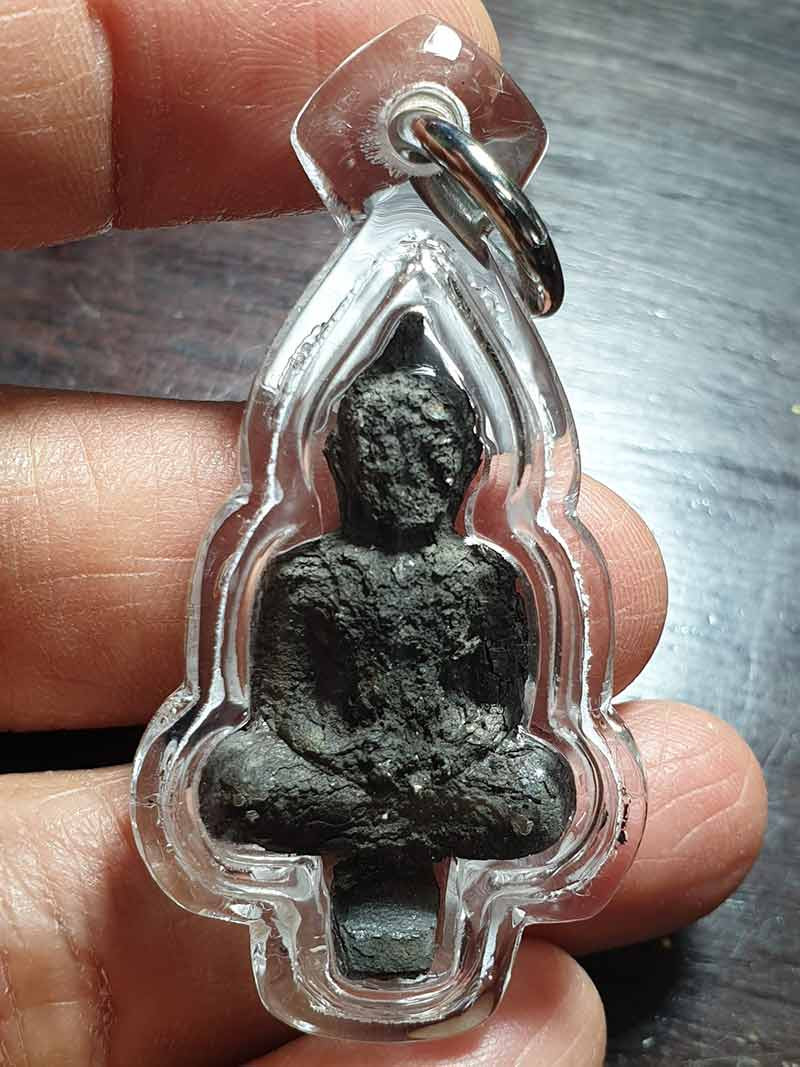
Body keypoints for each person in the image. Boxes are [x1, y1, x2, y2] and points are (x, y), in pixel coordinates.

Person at [0, 1, 766, 1064]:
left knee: (538, 790)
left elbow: (500, 706)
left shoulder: (486, 576)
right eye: (381, 452)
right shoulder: (306, 570)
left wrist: (441, 761)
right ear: (341, 461)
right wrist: (354, 764)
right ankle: (378, 865)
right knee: (235, 782)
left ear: (463, 467)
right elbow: (285, 701)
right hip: (334, 772)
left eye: (428, 455)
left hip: (447, 774)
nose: (405, 473)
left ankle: (394, 869)